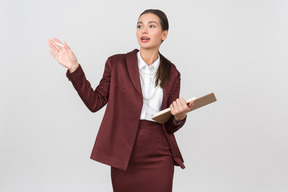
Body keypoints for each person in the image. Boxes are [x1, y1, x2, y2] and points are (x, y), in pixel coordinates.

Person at [48, 9, 194, 192]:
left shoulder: (172, 72)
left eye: (151, 26)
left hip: (160, 152)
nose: (144, 31)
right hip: (124, 152)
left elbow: (171, 125)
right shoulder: (116, 64)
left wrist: (179, 116)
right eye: (140, 26)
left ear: (164, 34)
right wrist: (74, 68)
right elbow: (95, 103)